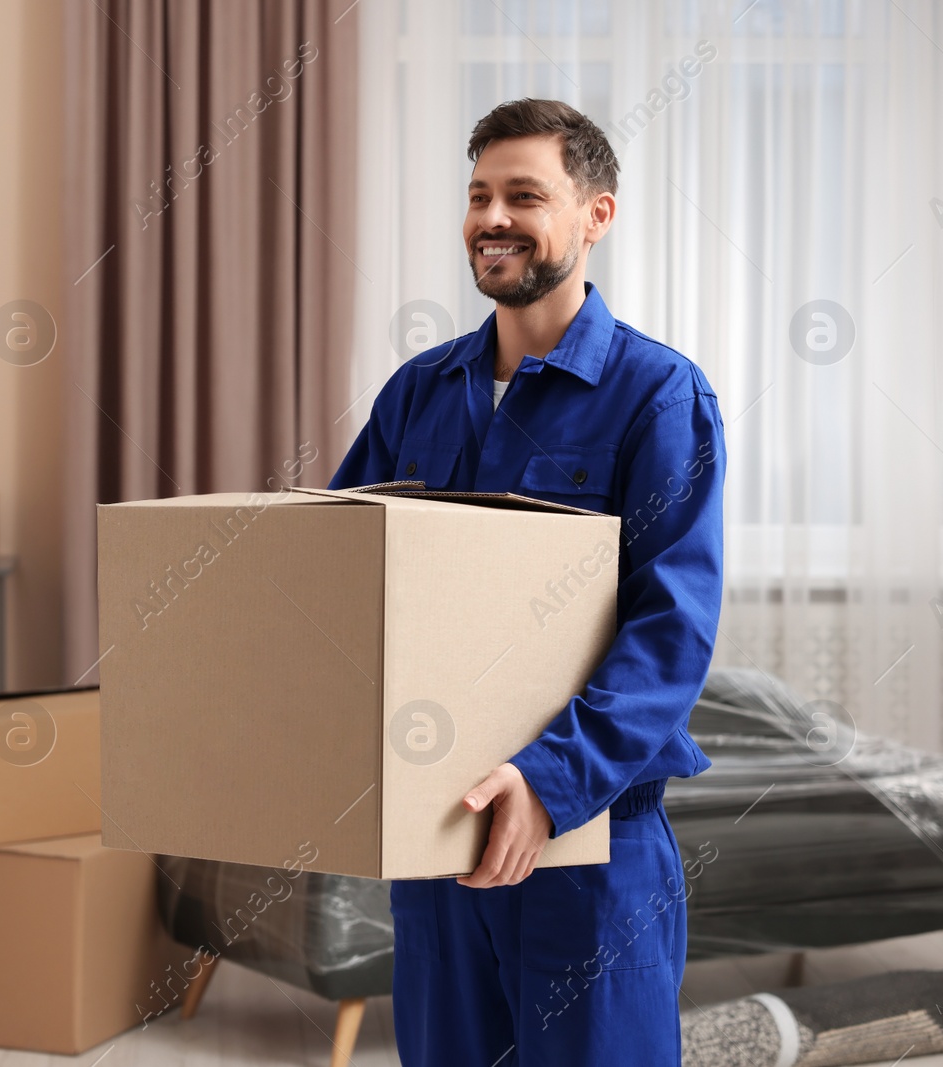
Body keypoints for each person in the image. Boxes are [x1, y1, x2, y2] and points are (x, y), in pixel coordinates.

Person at [329, 99, 724, 1065]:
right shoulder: (418, 390)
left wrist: (549, 784)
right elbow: (333, 575)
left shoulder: (658, 394)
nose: (491, 217)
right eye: (478, 195)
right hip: (439, 836)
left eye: (523, 194)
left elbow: (668, 629)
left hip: (588, 839)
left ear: (596, 215)